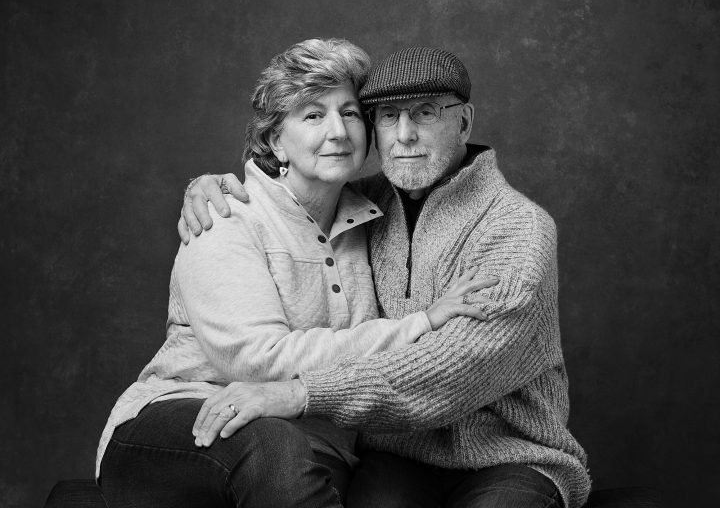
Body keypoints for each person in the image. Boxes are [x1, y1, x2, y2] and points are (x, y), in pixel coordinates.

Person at [181, 46, 592, 508]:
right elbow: (286, 194)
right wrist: (210, 187)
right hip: (396, 455)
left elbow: (453, 373)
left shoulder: (518, 229)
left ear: (464, 122)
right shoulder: (361, 206)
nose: (405, 135)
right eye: (388, 115)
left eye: (425, 113)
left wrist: (301, 393)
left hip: (512, 456)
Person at [96, 39, 496, 508]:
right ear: (272, 139)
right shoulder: (225, 216)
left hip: (318, 447)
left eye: (349, 113)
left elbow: (441, 173)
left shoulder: (374, 213)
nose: (338, 132)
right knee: (270, 444)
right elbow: (257, 359)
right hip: (189, 422)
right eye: (312, 115)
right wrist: (420, 324)